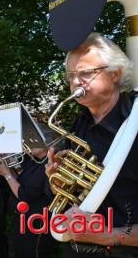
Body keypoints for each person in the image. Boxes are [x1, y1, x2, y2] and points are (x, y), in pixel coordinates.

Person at [45, 33, 138, 256]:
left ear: (115, 73)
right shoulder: (78, 126)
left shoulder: (135, 120)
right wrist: (56, 179)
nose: (76, 82)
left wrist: (105, 235)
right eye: (71, 75)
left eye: (86, 73)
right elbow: (69, 200)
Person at [0, 147, 56, 257]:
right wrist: (8, 167)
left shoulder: (47, 165)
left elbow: (24, 195)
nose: (27, 146)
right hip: (23, 219)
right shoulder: (34, 161)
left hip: (36, 222)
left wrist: (6, 174)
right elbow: (20, 182)